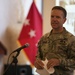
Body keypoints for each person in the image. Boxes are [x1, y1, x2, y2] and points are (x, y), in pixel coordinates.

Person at [34, 6, 75, 75]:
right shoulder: (44, 38)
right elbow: (38, 57)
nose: (54, 19)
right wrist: (37, 63)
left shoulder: (71, 39)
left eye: (58, 17)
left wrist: (59, 62)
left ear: (64, 20)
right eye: (52, 16)